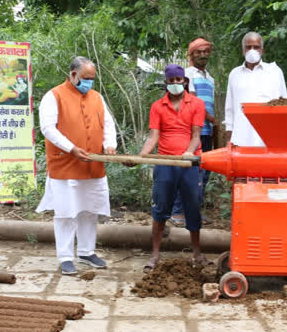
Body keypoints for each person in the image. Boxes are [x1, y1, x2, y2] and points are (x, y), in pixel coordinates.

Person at [35, 56, 117, 275]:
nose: (89, 83)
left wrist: (110, 145)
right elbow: (48, 128)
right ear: (73, 74)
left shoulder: (97, 97)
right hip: (66, 164)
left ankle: (86, 252)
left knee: (90, 210)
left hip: (93, 165)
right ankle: (65, 257)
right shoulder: (53, 96)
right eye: (86, 78)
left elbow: (108, 124)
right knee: (66, 212)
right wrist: (71, 148)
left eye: (92, 79)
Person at [132, 64, 205, 270]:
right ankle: (155, 255)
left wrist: (189, 154)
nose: (175, 84)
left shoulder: (196, 104)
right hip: (164, 163)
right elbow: (153, 136)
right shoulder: (157, 106)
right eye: (171, 81)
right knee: (160, 209)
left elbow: (196, 135)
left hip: (189, 164)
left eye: (178, 80)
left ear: (185, 81)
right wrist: (141, 156)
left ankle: (197, 254)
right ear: (166, 83)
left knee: (192, 207)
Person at [170, 37, 217, 227]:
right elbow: (196, 103)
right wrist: (214, 121)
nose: (203, 55)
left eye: (206, 51)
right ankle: (178, 211)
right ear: (191, 54)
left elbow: (210, 104)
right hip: (193, 130)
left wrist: (213, 126)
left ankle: (192, 211)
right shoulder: (188, 74)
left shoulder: (209, 77)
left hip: (206, 130)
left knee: (203, 172)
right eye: (198, 51)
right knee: (188, 171)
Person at [224, 32, 287, 147]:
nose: (252, 50)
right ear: (243, 50)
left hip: (268, 136)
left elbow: (284, 105)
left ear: (262, 50)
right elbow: (229, 107)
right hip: (241, 136)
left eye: (256, 47)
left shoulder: (274, 72)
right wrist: (229, 134)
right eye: (248, 47)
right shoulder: (235, 74)